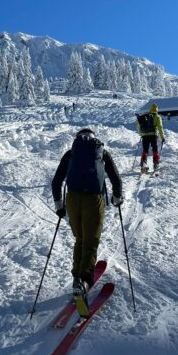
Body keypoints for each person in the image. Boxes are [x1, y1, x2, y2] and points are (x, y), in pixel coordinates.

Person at [51, 128, 123, 316]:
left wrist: (59, 206)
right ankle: (83, 280)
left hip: (73, 199)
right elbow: (116, 179)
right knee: (91, 241)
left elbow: (56, 181)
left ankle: (77, 277)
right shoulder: (101, 152)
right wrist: (117, 198)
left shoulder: (71, 153)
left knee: (80, 239)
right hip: (93, 199)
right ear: (94, 138)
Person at [136, 104, 165, 173]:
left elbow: (138, 126)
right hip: (153, 136)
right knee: (155, 150)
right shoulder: (157, 117)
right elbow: (160, 128)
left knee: (145, 150)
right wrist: (162, 137)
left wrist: (141, 134)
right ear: (156, 109)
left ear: (150, 109)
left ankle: (143, 164)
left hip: (145, 136)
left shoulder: (145, 116)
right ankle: (156, 165)